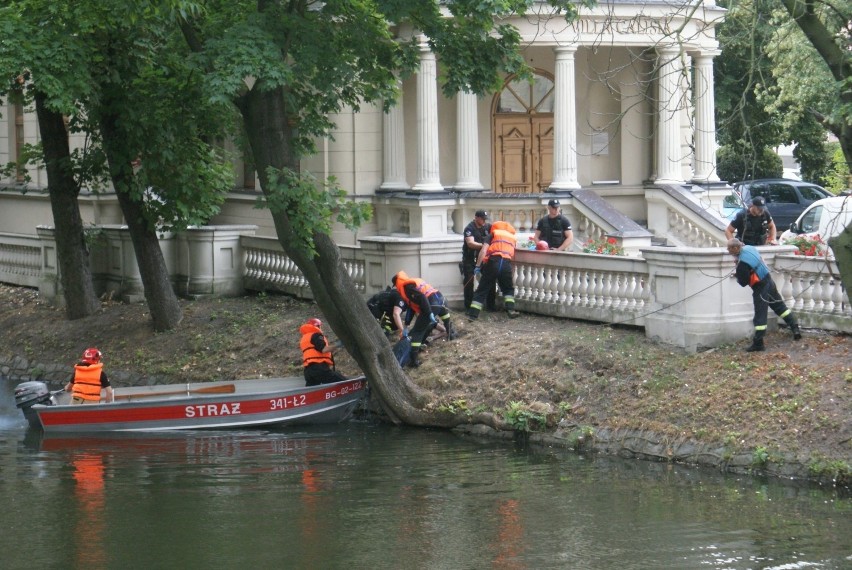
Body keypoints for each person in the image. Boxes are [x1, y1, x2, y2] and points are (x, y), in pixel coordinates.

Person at [727, 238, 801, 352]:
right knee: (780, 306)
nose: (728, 250)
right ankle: (795, 328)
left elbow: (743, 282)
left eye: (729, 248)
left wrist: (738, 274)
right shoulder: (749, 248)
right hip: (768, 280)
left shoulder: (742, 264)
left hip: (760, 287)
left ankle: (758, 343)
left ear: (736, 248)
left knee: (760, 315)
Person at [392, 270, 453, 368]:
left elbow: (422, 298)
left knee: (417, 332)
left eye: (395, 286)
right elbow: (411, 308)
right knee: (444, 316)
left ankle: (414, 361)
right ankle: (451, 333)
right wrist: (406, 325)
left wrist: (429, 313)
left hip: (431, 304)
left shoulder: (406, 287)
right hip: (440, 298)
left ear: (396, 283)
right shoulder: (412, 283)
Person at [467, 220, 519, 320]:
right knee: (508, 289)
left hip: (493, 262)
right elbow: (514, 255)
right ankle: (511, 310)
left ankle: (473, 315)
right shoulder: (512, 238)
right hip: (506, 264)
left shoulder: (493, 234)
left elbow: (483, 250)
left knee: (482, 289)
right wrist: (511, 270)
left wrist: (478, 266)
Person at [461, 210, 496, 310]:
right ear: (476, 218)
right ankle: (469, 306)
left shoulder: (488, 227)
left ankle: (491, 305)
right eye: (482, 219)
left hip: (484, 258)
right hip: (470, 259)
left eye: (485, 219)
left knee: (490, 280)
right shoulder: (469, 228)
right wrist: (484, 246)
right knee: (469, 281)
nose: (484, 221)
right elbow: (470, 243)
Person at [299, 318, 347, 386]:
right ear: (317, 326)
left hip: (308, 370)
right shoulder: (316, 335)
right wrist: (339, 345)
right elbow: (324, 349)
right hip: (319, 367)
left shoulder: (305, 338)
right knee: (344, 382)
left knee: (312, 392)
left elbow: (313, 350)